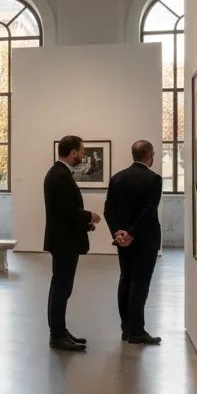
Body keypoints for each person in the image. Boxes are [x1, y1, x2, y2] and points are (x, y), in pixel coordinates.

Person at [44, 135, 101, 352]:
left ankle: (60, 331)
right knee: (61, 287)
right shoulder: (59, 176)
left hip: (64, 240)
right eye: (82, 151)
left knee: (61, 287)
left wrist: (85, 225)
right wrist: (89, 216)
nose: (84, 155)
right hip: (63, 243)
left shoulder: (59, 173)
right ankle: (57, 335)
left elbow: (64, 213)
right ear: (73, 152)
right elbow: (65, 211)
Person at [104, 140, 163, 346]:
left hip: (122, 241)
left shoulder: (117, 178)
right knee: (140, 283)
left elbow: (108, 209)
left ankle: (126, 328)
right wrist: (132, 233)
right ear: (149, 156)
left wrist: (118, 233)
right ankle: (136, 331)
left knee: (126, 279)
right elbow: (148, 210)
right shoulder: (154, 179)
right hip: (145, 240)